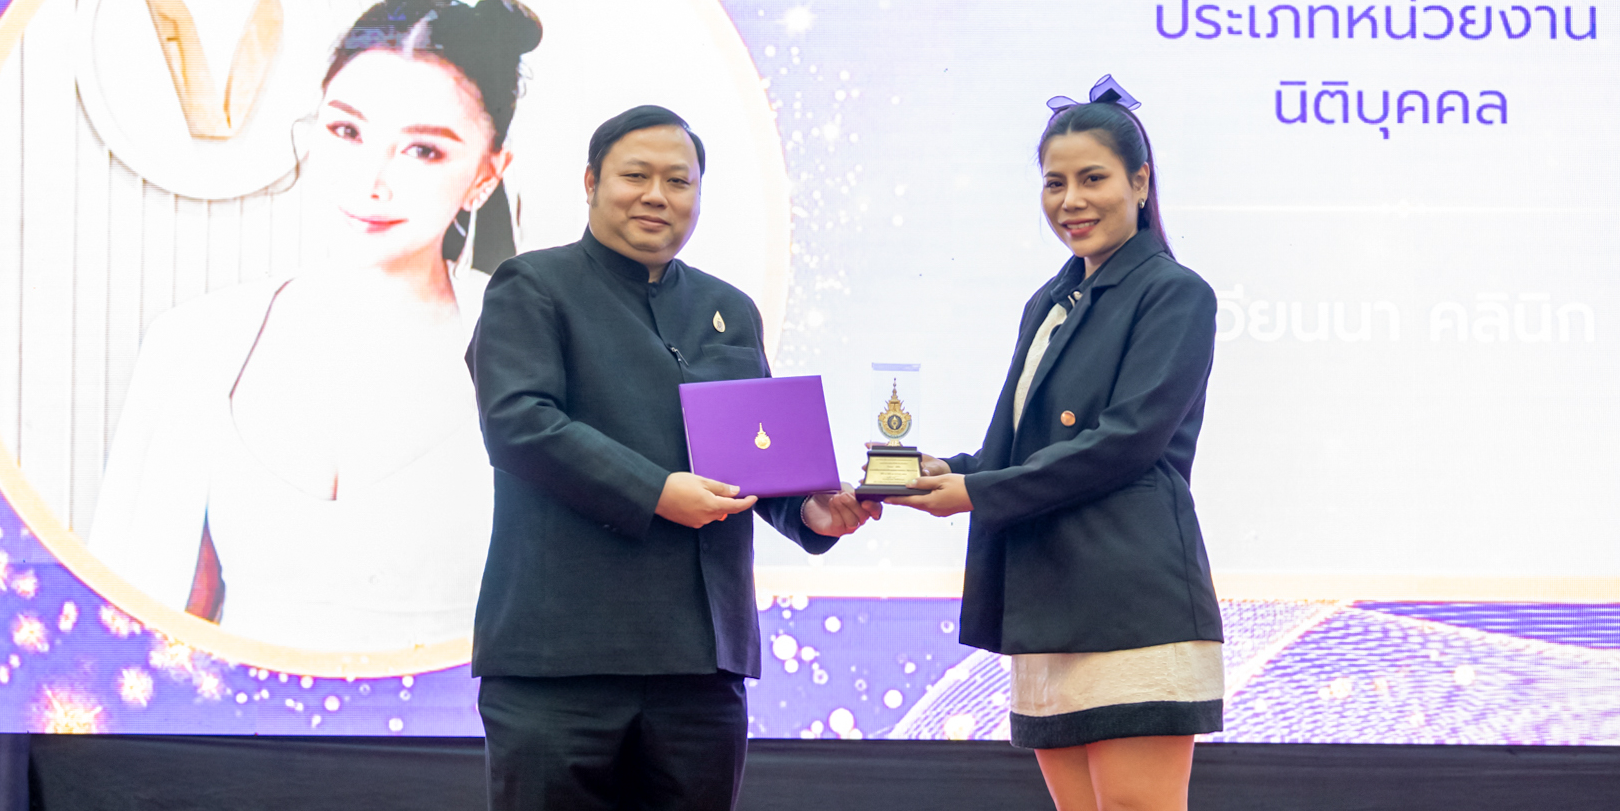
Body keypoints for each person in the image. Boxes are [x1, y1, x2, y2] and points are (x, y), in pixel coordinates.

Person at [90, 0, 540, 652]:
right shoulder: (197, 342)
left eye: (423, 149)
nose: (370, 179)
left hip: (466, 717)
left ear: (486, 174)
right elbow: (144, 625)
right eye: (346, 130)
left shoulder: (543, 348)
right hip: (238, 718)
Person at [468, 104, 877, 811]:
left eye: (678, 181)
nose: (656, 196)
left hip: (699, 667)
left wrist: (810, 509)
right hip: (559, 662)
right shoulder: (531, 287)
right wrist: (655, 490)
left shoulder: (729, 308)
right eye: (636, 176)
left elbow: (754, 454)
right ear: (591, 183)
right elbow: (518, 423)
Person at [885, 77, 1223, 811]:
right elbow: (1021, 447)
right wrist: (949, 470)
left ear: (1140, 183)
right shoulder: (1050, 300)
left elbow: (1126, 442)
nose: (1071, 201)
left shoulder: (1175, 293)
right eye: (1054, 183)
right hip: (1047, 599)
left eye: (1093, 179)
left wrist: (976, 492)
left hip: (1131, 604)